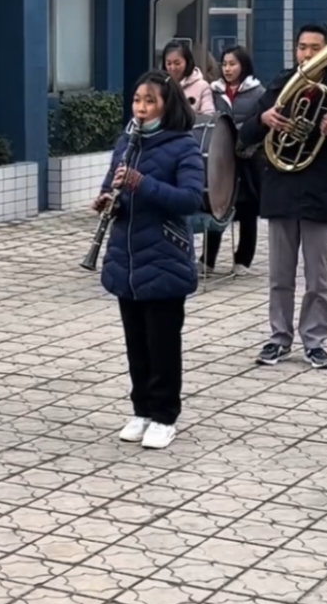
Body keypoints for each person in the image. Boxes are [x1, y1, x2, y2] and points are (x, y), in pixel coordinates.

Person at [239, 23, 327, 370]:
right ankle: (278, 338)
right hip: (281, 191)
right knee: (280, 277)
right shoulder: (281, 84)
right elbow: (246, 133)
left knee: (318, 278)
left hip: (323, 193)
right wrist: (265, 119)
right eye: (302, 47)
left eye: (316, 48)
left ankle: (315, 341)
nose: (308, 54)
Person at [94, 71, 204, 451]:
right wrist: (107, 200)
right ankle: (141, 409)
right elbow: (113, 185)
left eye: (149, 101)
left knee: (162, 343)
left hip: (165, 254)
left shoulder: (183, 146)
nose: (141, 108)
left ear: (165, 105)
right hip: (127, 257)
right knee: (136, 342)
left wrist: (143, 183)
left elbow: (191, 199)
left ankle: (165, 415)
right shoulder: (127, 141)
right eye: (137, 100)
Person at [204, 45, 264, 273]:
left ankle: (243, 260)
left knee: (247, 209)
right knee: (216, 204)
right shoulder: (214, 91)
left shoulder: (257, 92)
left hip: (247, 160)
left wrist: (242, 141)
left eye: (233, 64)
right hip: (220, 158)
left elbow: (260, 124)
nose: (228, 69)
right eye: (225, 64)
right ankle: (208, 258)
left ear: (244, 65)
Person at [162, 40, 214, 117]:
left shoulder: (202, 87)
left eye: (177, 63)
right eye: (169, 64)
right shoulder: (160, 85)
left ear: (187, 62)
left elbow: (208, 116)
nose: (172, 68)